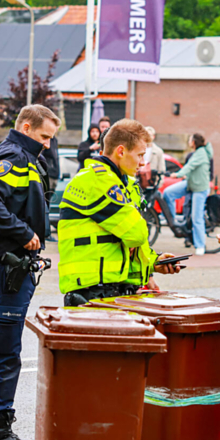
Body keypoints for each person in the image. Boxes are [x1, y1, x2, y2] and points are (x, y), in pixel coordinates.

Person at [0, 104, 58, 440]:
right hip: (7, 267)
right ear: (26, 126)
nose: (48, 145)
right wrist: (24, 234)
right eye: (44, 136)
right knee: (6, 353)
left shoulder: (23, 156)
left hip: (9, 267)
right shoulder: (15, 156)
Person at [57, 119, 181, 305]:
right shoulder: (98, 181)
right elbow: (136, 233)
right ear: (121, 151)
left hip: (110, 286)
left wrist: (152, 262)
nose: (142, 163)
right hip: (92, 290)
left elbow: (128, 241)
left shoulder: (123, 182)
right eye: (140, 155)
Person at [164, 133, 212, 255]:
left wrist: (177, 174)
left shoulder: (200, 153)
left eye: (190, 140)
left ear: (194, 142)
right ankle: (174, 219)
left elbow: (189, 166)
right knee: (168, 193)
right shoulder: (197, 153)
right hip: (190, 183)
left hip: (200, 189)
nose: (189, 142)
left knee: (197, 217)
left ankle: (200, 245)